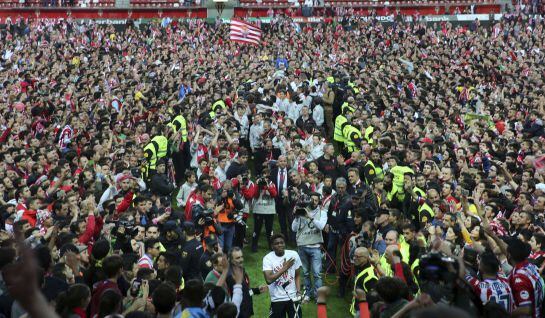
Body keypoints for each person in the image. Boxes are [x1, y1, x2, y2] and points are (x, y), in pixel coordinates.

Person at [291, 192, 327, 302]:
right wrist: (297, 217)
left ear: (319, 202)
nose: (313, 202)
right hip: (302, 246)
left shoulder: (323, 212)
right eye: (311, 200)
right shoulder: (301, 211)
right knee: (305, 273)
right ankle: (307, 294)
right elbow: (294, 228)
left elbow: (321, 226)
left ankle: (318, 296)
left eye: (316, 200)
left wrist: (310, 217)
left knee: (317, 273)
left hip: (315, 246)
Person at [263, 234, 302, 318]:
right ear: (272, 246)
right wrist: (285, 267)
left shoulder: (293, 254)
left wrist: (298, 292)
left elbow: (297, 275)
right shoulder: (268, 258)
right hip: (277, 299)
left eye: (282, 242)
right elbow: (269, 280)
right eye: (276, 243)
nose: (280, 245)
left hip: (293, 298)